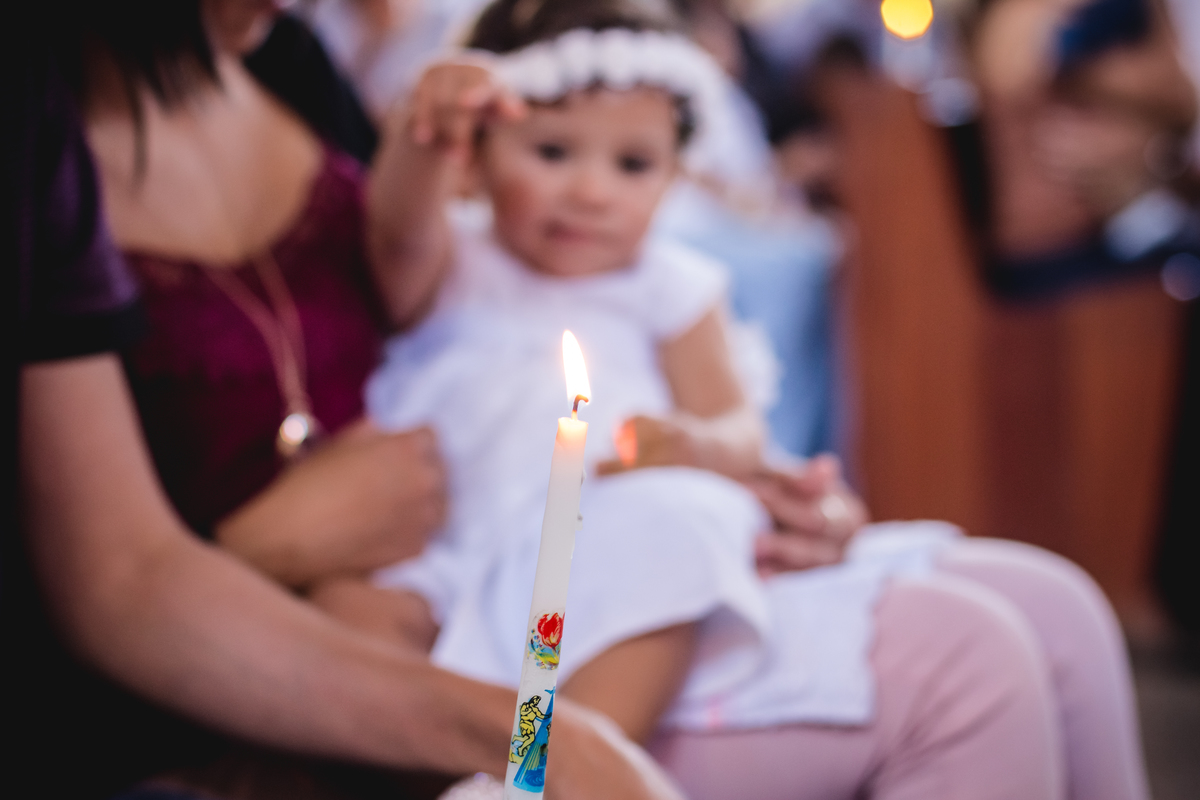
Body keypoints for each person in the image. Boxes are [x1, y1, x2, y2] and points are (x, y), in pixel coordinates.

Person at [312, 1, 1150, 798]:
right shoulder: (456, 266)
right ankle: (537, 769)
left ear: (679, 171)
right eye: (553, 151)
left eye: (632, 163)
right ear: (480, 152)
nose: (592, 191)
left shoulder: (671, 287)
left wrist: (699, 447)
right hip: (509, 562)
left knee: (1054, 601)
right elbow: (396, 225)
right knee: (674, 522)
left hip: (649, 551)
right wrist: (428, 135)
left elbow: (738, 427)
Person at [15, 2, 683, 799]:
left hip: (461, 617)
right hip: (233, 695)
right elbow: (112, 582)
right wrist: (265, 549)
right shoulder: (33, 125)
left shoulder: (289, 63)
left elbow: (412, 284)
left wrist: (719, 466)